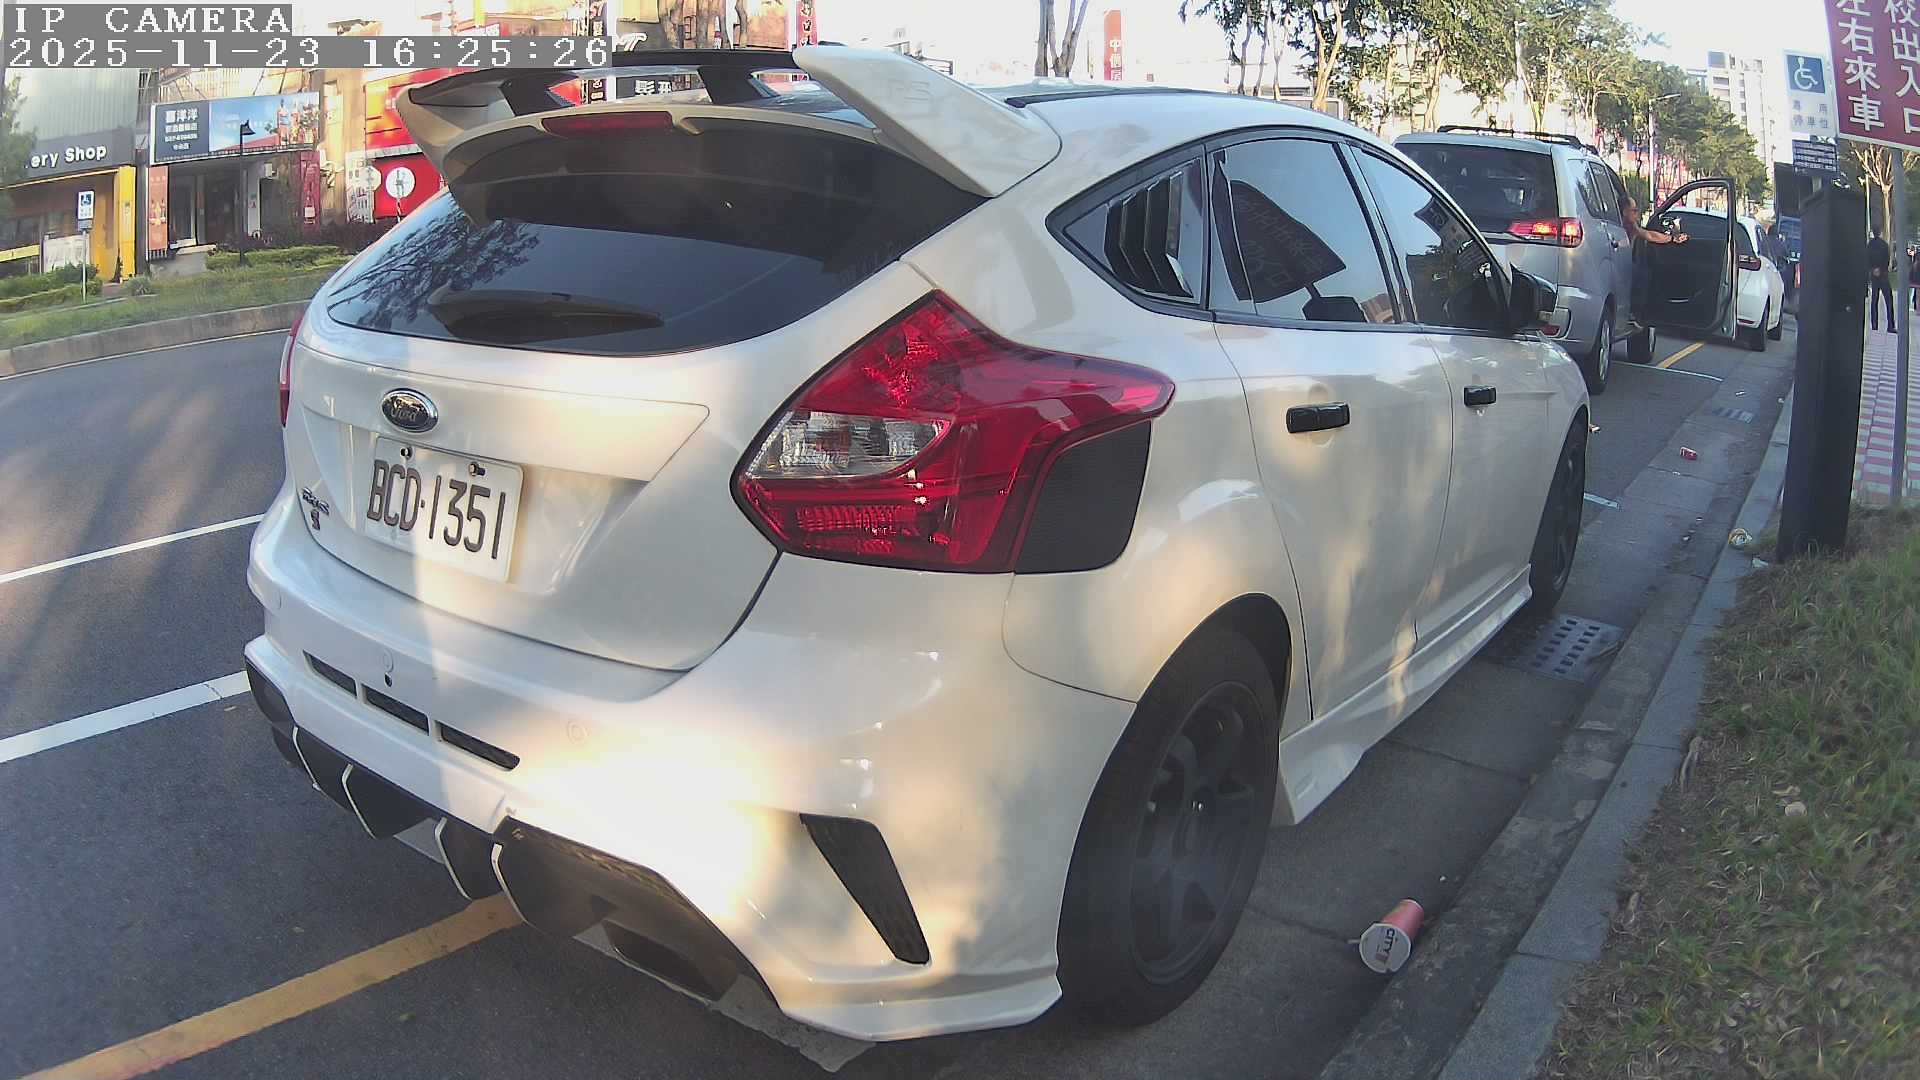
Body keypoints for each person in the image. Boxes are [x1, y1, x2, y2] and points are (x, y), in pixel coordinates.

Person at [1868, 228, 1894, 332]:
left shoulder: (1870, 245)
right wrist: (1881, 269)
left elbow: (1867, 258)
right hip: (1883, 274)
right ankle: (1890, 325)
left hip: (1874, 275)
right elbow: (1887, 259)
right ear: (1880, 233)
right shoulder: (1884, 245)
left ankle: (1874, 325)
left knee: (1874, 300)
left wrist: (1873, 269)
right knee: (1888, 300)